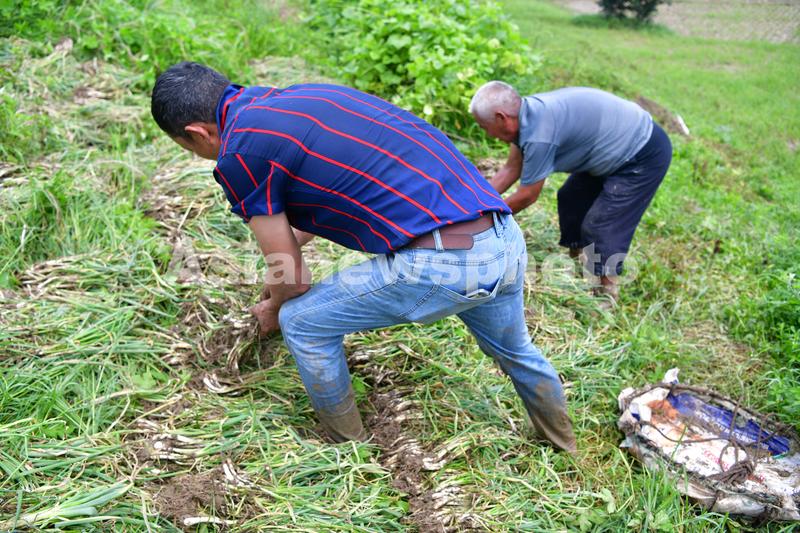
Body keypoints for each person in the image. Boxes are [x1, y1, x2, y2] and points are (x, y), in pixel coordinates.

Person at [150, 62, 577, 453]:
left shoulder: (239, 153)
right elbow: (324, 201)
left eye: (187, 147)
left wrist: (273, 305)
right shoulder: (300, 97)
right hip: (502, 237)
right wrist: (281, 261)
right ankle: (564, 446)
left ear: (198, 133)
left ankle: (349, 449)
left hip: (446, 262)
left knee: (301, 321)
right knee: (516, 350)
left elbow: (294, 280)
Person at [470, 82, 672, 302]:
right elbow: (510, 169)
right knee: (570, 199)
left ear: (502, 118)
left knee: (601, 225)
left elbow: (528, 195)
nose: (487, 134)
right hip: (610, 146)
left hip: (642, 151)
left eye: (484, 126)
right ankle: (581, 263)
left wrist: (486, 221)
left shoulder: (539, 134)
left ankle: (606, 294)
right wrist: (475, 206)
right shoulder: (527, 116)